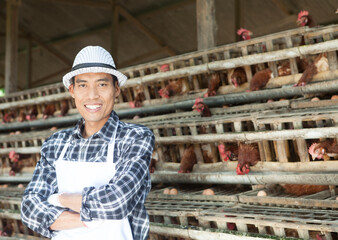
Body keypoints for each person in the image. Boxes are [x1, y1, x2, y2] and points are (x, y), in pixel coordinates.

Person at [21, 46, 155, 240]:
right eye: (83, 85)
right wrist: (91, 220)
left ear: (116, 89)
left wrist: (58, 199)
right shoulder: (55, 144)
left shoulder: (135, 138)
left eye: (102, 84)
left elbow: (117, 202)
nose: (92, 95)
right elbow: (29, 208)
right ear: (72, 91)